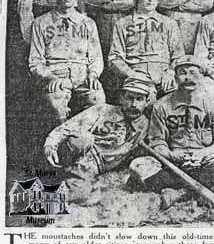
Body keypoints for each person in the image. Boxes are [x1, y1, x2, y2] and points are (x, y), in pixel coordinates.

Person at [128, 56, 214, 208]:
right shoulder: (161, 105)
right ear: (175, 77)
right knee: (137, 165)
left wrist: (202, 155)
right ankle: (209, 186)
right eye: (182, 73)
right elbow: (157, 142)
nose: (188, 77)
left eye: (193, 72)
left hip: (206, 160)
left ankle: (181, 192)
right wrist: (173, 156)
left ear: (202, 76)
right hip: (174, 163)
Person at [43, 75, 152, 204]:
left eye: (139, 99)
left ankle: (53, 190)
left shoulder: (147, 126)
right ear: (122, 97)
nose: (134, 104)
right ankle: (58, 174)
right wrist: (50, 144)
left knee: (80, 195)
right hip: (74, 153)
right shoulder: (102, 109)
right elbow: (68, 127)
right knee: (84, 138)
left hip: (94, 167)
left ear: (147, 101)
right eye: (130, 98)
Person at [29, 0, 105, 126]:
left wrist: (94, 75)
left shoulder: (88, 23)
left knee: (98, 100)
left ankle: (86, 143)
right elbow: (35, 62)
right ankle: (59, 145)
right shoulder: (40, 23)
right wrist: (50, 77)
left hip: (83, 75)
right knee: (56, 105)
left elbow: (96, 57)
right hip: (57, 76)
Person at [108, 0, 185, 98]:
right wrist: (131, 73)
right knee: (142, 102)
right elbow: (114, 58)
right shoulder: (123, 23)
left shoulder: (169, 23)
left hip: (164, 75)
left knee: (177, 100)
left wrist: (170, 72)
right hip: (136, 75)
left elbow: (178, 55)